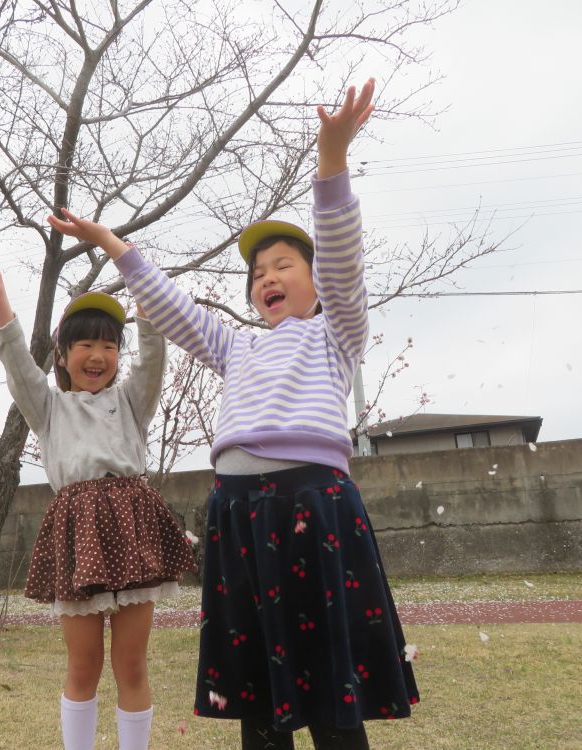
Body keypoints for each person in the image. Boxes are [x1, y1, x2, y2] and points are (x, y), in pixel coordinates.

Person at [46, 78, 418, 749]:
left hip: (314, 502)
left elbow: (341, 258)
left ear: (314, 282)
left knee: (331, 679)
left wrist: (330, 163)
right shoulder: (236, 345)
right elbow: (172, 310)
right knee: (257, 683)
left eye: (283, 265)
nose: (268, 277)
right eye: (257, 274)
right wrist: (112, 244)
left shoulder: (338, 331)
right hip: (238, 510)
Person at [0, 250, 196, 750]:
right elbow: (17, 362)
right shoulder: (48, 407)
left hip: (132, 531)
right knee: (82, 665)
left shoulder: (131, 401)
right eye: (84, 343)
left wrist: (145, 303)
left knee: (131, 665)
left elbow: (153, 358)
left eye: (108, 345)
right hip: (77, 537)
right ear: (62, 353)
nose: (97, 355)